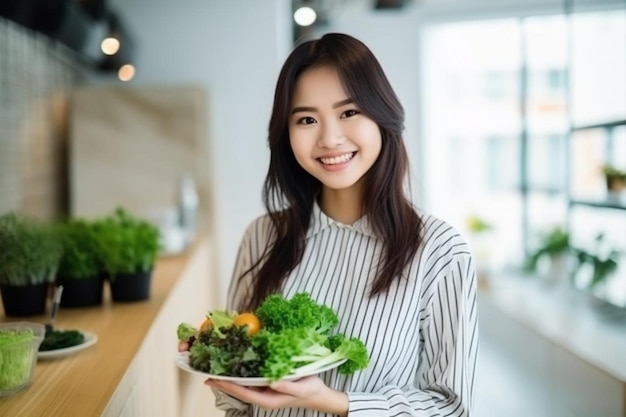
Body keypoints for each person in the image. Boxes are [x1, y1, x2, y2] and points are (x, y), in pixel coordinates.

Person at [204, 32, 478, 417]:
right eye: (307, 119)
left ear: (383, 116)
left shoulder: (440, 251)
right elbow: (238, 400)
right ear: (287, 134)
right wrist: (214, 352)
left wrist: (331, 401)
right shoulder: (262, 237)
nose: (330, 138)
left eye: (349, 112)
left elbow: (449, 407)